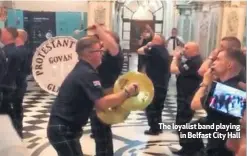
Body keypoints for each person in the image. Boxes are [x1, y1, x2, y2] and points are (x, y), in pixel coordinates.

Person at [47, 34, 139, 156]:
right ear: (88, 54)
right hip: (62, 129)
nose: (102, 53)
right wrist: (127, 92)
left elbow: (102, 95)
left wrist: (120, 95)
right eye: (99, 50)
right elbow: (102, 103)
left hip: (66, 128)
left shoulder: (85, 70)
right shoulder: (86, 73)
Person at [190, 48, 246, 156]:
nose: (213, 63)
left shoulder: (230, 91)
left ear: (229, 65)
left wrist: (205, 83)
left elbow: (195, 104)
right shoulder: (225, 85)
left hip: (223, 149)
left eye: (218, 59)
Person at [89, 27, 124, 156]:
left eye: (104, 40)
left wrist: (100, 30)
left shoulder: (115, 54)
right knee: (100, 131)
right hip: (98, 93)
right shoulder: (106, 54)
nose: (101, 42)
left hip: (106, 94)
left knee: (102, 130)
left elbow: (111, 43)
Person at [170, 42, 202, 155]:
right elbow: (179, 71)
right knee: (181, 123)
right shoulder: (190, 60)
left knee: (182, 123)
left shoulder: (194, 62)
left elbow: (174, 70)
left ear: (195, 50)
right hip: (184, 95)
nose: (184, 50)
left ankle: (190, 149)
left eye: (187, 48)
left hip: (188, 97)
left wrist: (175, 57)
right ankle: (186, 147)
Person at [137, 34, 170, 135]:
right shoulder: (164, 50)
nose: (151, 40)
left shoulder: (155, 48)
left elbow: (139, 50)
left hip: (154, 83)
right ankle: (158, 127)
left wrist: (147, 45)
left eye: (153, 39)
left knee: (151, 106)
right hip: (163, 83)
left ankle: (154, 129)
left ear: (157, 41)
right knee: (159, 107)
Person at [0, 27, 21, 137]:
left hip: (6, 88)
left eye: (2, 33)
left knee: (7, 114)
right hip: (9, 87)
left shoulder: (10, 52)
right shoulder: (9, 50)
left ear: (8, 35)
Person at [13, 29, 30, 138]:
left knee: (14, 110)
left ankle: (16, 133)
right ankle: (18, 133)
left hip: (15, 85)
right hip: (21, 84)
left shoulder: (17, 52)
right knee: (18, 109)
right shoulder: (28, 51)